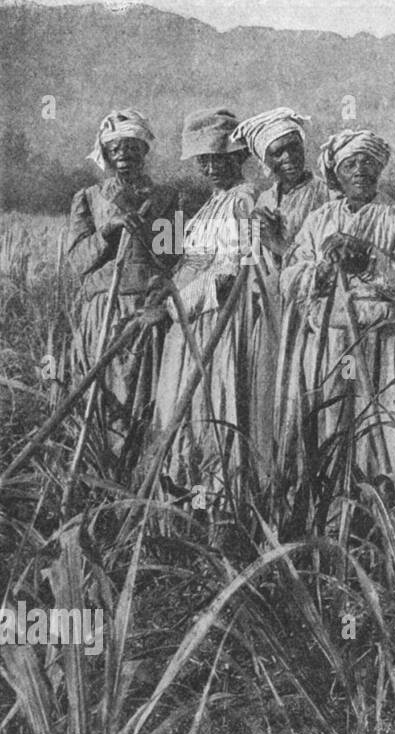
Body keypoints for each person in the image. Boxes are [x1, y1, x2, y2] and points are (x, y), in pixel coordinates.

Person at [278, 129, 395, 484]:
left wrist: (368, 260)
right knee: (334, 422)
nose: (360, 170)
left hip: (384, 341)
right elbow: (289, 278)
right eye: (351, 164)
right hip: (332, 342)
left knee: (384, 421)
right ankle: (333, 507)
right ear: (337, 173)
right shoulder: (320, 220)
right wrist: (322, 271)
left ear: (379, 169)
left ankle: (385, 504)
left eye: (368, 162)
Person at [153, 108, 262, 508]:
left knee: (214, 406)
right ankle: (188, 501)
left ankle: (219, 504)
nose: (212, 167)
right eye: (205, 160)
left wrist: (174, 305)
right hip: (190, 320)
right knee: (184, 411)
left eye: (221, 158)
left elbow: (232, 272)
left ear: (239, 158)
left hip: (219, 321)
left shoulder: (245, 201)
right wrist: (167, 290)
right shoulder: (211, 204)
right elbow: (193, 261)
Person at [66, 109, 179, 470]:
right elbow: (79, 261)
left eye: (132, 147)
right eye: (116, 149)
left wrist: (144, 228)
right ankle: (101, 481)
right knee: (106, 402)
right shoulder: (89, 198)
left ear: (145, 151)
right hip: (103, 311)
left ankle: (143, 482)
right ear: (105, 154)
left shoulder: (165, 198)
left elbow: (173, 257)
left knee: (146, 401)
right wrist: (109, 229)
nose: (124, 155)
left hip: (148, 312)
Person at [230, 107, 335, 477]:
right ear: (264, 160)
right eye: (277, 153)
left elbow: (325, 263)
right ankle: (269, 481)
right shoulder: (262, 201)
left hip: (307, 317)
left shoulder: (326, 195)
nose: (288, 158)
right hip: (269, 314)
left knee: (303, 397)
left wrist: (280, 245)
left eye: (293, 148)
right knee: (267, 398)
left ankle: (306, 482)